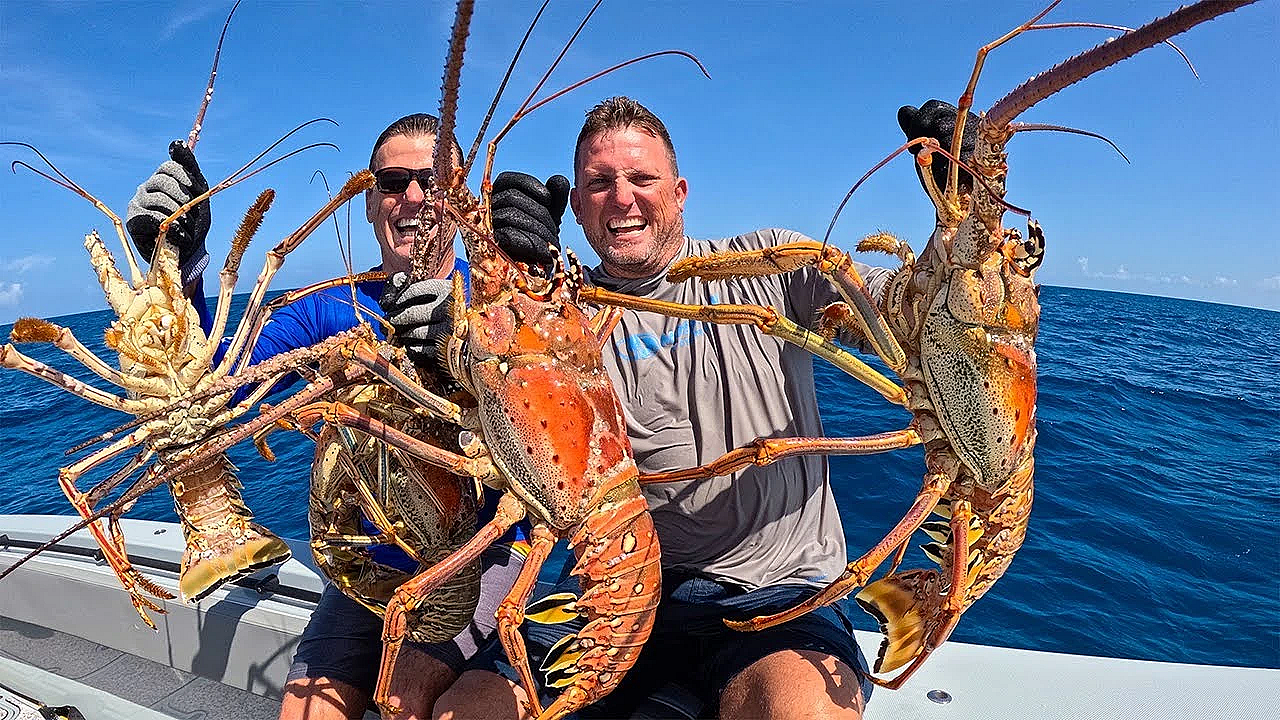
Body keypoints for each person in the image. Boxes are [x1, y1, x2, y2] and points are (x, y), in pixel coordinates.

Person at [384, 96, 975, 720]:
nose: (622, 198)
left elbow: (911, 315)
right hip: (609, 589)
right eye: (599, 184)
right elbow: (488, 424)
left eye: (642, 179)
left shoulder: (771, 267)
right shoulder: (557, 313)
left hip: (776, 591)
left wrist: (958, 221)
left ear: (681, 191)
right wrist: (440, 336)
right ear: (578, 207)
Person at [124, 113, 542, 720]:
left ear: (460, 198)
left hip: (479, 553)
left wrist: (463, 348)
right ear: (370, 203)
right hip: (365, 560)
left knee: (409, 699)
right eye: (393, 182)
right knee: (304, 712)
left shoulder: (501, 300)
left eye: (433, 180)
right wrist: (177, 266)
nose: (414, 198)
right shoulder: (326, 309)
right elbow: (220, 382)